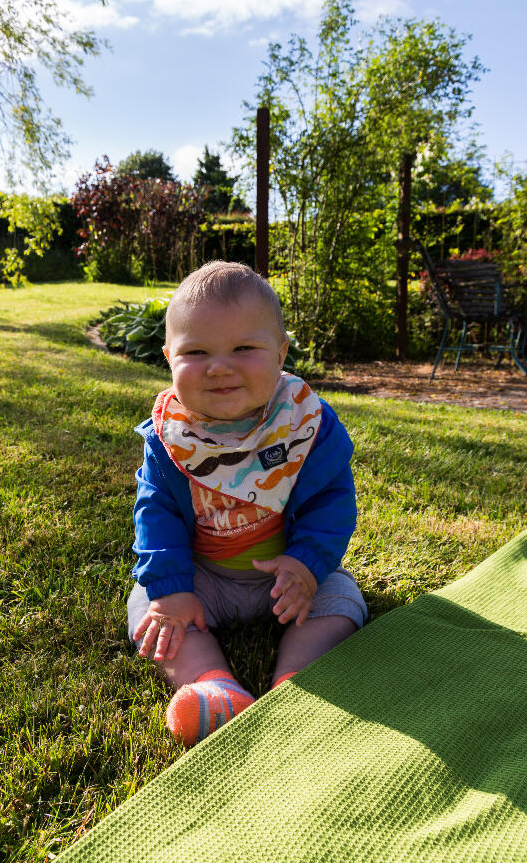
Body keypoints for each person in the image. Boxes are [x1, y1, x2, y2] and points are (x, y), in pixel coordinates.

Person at [127, 261, 366, 747]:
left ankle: (296, 681)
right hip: (205, 579)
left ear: (280, 352)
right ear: (168, 356)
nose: (219, 366)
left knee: (342, 599)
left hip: (290, 580)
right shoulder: (171, 439)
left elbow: (332, 501)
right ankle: (212, 683)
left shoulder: (305, 424)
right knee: (149, 608)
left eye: (244, 348)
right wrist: (172, 588)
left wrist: (307, 564)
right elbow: (157, 516)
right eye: (196, 351)